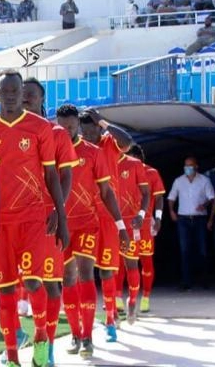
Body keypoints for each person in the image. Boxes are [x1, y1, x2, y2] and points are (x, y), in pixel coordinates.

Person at [0, 69, 68, 367]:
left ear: (22, 95)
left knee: (33, 282)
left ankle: (41, 338)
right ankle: (11, 356)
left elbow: (52, 175)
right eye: (4, 91)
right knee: (5, 289)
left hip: (33, 219)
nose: (10, 96)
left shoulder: (40, 128)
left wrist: (61, 216)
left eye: (15, 91)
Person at [55, 104, 126, 359]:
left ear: (77, 125)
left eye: (71, 126)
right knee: (67, 278)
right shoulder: (49, 152)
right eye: (62, 127)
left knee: (85, 274)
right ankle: (75, 334)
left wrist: (120, 225)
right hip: (61, 226)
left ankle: (87, 337)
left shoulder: (93, 153)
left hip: (87, 223)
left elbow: (106, 192)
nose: (67, 131)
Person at [22, 77, 78, 366]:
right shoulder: (4, 130)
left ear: (42, 99)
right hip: (15, 218)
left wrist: (58, 208)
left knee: (48, 282)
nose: (25, 98)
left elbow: (66, 175)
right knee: (21, 283)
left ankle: (46, 343)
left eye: (31, 94)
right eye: (21, 93)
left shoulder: (56, 134)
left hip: (46, 216)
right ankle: (18, 342)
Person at [79, 109, 133, 343]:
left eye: (92, 130)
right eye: (85, 131)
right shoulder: (77, 147)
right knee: (82, 272)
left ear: (98, 128)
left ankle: (110, 318)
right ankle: (84, 323)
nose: (89, 135)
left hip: (109, 217)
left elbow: (128, 141)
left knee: (107, 270)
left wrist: (103, 122)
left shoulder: (110, 143)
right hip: (84, 217)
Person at [168, 156, 215, 291]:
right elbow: (171, 198)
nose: (187, 168)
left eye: (190, 165)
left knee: (202, 250)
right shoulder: (178, 181)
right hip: (183, 219)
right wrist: (171, 211)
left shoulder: (204, 181)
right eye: (186, 165)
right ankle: (186, 281)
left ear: (196, 166)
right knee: (185, 250)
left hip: (200, 219)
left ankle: (204, 279)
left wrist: (204, 205)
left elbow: (212, 198)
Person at [128, 144, 165, 313]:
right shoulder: (123, 170)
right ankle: (118, 297)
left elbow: (159, 198)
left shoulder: (151, 173)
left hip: (146, 224)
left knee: (146, 261)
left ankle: (146, 297)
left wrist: (158, 218)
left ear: (139, 158)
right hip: (128, 224)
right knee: (125, 262)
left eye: (131, 157)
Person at [115, 148, 149, 324]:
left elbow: (146, 193)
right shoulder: (101, 160)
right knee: (110, 267)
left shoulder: (134, 165)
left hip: (130, 223)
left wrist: (141, 215)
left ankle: (133, 300)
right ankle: (112, 310)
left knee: (131, 264)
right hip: (109, 222)